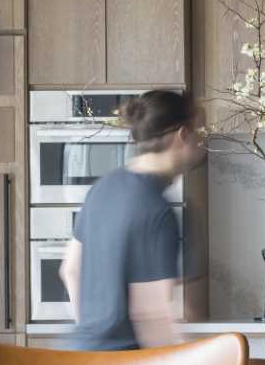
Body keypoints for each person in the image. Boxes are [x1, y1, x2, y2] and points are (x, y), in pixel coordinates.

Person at [59, 90, 203, 351]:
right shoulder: (155, 209)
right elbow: (150, 314)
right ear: (182, 135)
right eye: (198, 132)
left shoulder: (103, 187)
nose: (200, 141)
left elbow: (70, 270)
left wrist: (94, 338)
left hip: (81, 360)